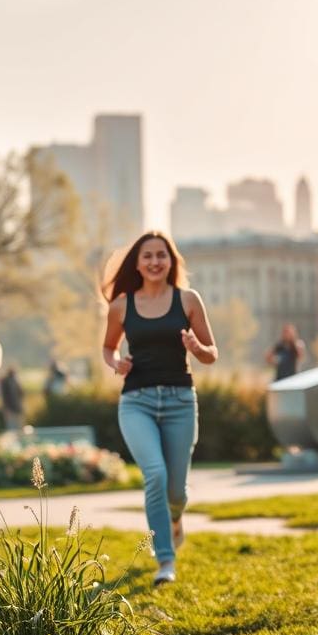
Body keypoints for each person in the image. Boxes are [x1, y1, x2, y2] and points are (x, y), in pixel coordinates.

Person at [101, 231, 217, 586]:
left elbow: (211, 354)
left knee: (176, 492)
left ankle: (176, 518)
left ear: (171, 261)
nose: (154, 262)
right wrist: (116, 363)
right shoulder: (121, 305)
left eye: (161, 256)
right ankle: (165, 560)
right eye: (147, 256)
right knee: (155, 475)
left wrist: (195, 346)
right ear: (137, 263)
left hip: (181, 401)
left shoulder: (188, 300)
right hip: (137, 401)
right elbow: (108, 348)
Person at [0, 366, 25, 432]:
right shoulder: (13, 381)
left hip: (13, 408)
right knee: (14, 427)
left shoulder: (6, 381)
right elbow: (21, 393)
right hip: (13, 408)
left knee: (14, 427)